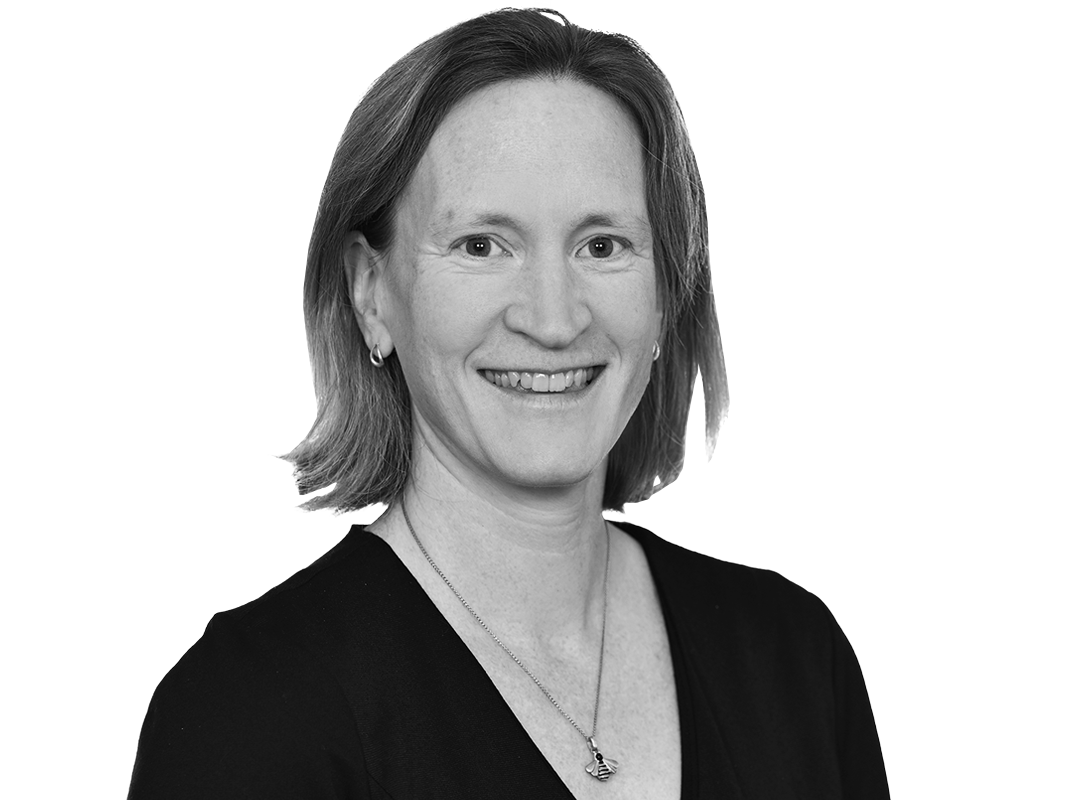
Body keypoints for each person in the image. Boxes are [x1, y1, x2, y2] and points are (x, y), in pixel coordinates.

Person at [127, 6, 889, 798]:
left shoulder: (795, 660)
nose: (553, 320)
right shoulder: (247, 712)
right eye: (482, 245)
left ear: (666, 294)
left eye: (602, 245)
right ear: (371, 294)